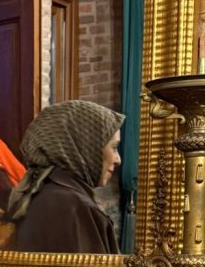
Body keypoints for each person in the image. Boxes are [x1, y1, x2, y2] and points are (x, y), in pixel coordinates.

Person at [7, 100, 124, 254]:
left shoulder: (41, 192)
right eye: (114, 147)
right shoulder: (74, 209)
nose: (118, 159)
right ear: (86, 146)